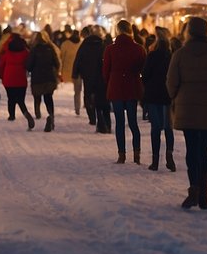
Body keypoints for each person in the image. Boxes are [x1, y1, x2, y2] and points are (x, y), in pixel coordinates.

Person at [166, 16, 207, 210]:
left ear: (189, 32)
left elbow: (171, 82)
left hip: (187, 106)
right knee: (204, 150)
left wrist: (176, 96)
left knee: (192, 149)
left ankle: (193, 189)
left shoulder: (180, 54)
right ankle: (203, 194)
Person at [103, 20, 147, 163]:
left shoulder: (110, 49)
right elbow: (143, 68)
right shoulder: (139, 49)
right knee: (133, 122)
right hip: (132, 87)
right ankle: (136, 154)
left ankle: (121, 154)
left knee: (120, 123)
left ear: (118, 31)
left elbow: (105, 71)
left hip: (116, 87)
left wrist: (110, 81)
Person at [141, 29, 176, 172]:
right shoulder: (172, 56)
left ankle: (155, 161)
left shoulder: (152, 56)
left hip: (153, 94)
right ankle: (169, 154)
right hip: (167, 95)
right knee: (168, 127)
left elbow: (145, 74)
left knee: (155, 128)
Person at [74, 25, 109, 133]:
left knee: (90, 97)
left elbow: (78, 59)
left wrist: (76, 72)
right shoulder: (103, 45)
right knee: (103, 100)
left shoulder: (85, 45)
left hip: (88, 76)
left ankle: (94, 119)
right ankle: (106, 123)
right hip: (102, 76)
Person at [0, 28, 34, 129]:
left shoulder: (7, 52)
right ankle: (26, 113)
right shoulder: (25, 52)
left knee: (11, 98)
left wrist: (1, 75)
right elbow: (28, 63)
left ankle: (12, 115)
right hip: (21, 78)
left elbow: (1, 64)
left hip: (9, 78)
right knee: (20, 99)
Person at [28, 32, 61, 132]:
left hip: (37, 78)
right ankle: (51, 116)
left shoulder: (34, 50)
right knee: (48, 98)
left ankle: (37, 113)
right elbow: (57, 63)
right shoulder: (50, 49)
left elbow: (29, 65)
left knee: (37, 96)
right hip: (49, 78)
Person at [58, 27, 81, 116]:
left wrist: (60, 70)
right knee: (78, 91)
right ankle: (78, 107)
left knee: (76, 91)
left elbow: (61, 57)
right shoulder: (81, 44)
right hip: (79, 71)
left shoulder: (65, 44)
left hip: (68, 71)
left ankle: (77, 108)